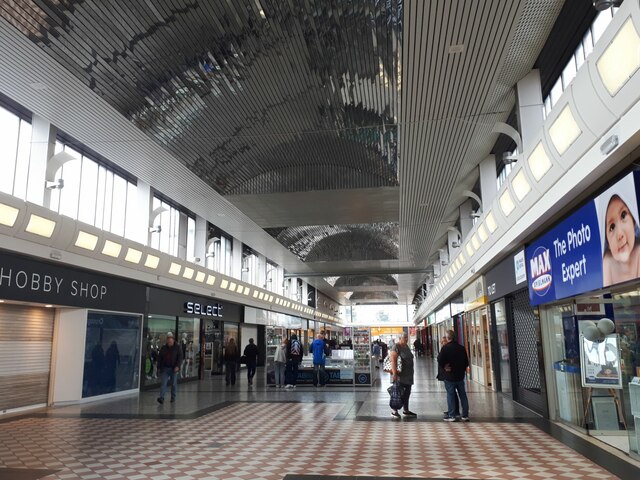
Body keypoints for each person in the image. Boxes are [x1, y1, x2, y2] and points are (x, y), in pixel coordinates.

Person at [601, 194, 640, 286]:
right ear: (607, 243)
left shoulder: (639, 253)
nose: (619, 234)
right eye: (612, 227)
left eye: (623, 215)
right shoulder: (607, 262)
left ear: (633, 222)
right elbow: (605, 298)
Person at [438, 330, 470, 422]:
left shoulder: (445, 348)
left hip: (450, 376)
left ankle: (452, 415)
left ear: (448, 338)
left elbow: (439, 359)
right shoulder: (461, 348)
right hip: (460, 376)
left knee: (450, 395)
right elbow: (466, 362)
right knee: (463, 395)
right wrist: (461, 370)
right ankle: (465, 415)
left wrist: (445, 367)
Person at [389, 332, 416, 419]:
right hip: (400, 375)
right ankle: (394, 411)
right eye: (405, 338)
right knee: (398, 393)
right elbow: (393, 360)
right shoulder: (396, 346)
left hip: (408, 375)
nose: (407, 339)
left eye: (407, 338)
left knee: (407, 393)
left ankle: (406, 410)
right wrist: (394, 374)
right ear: (400, 338)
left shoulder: (406, 346)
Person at [157, 332, 183, 404]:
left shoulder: (177, 348)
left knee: (173, 384)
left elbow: (180, 357)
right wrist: (159, 367)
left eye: (170, 342)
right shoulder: (164, 348)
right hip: (165, 368)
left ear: (173, 341)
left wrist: (178, 366)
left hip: (173, 368)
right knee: (163, 383)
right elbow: (160, 358)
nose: (169, 343)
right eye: (168, 342)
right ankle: (161, 398)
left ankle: (173, 397)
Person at [437, 335, 459, 417]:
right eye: (442, 342)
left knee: (452, 393)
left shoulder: (447, 349)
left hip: (450, 375)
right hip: (446, 374)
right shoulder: (445, 349)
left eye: (444, 341)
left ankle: (453, 411)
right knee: (451, 393)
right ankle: (453, 410)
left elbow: (441, 360)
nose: (442, 343)